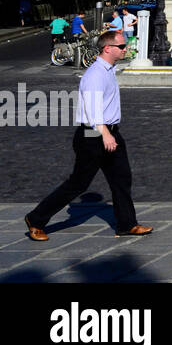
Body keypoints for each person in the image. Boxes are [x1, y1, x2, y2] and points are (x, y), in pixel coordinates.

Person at [24, 30, 153, 240]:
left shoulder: (109, 70)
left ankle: (127, 224)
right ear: (107, 48)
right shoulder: (95, 75)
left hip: (109, 131)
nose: (125, 49)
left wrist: (111, 134)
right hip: (93, 134)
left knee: (122, 178)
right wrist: (105, 135)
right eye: (121, 46)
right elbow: (93, 111)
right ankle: (36, 219)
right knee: (78, 184)